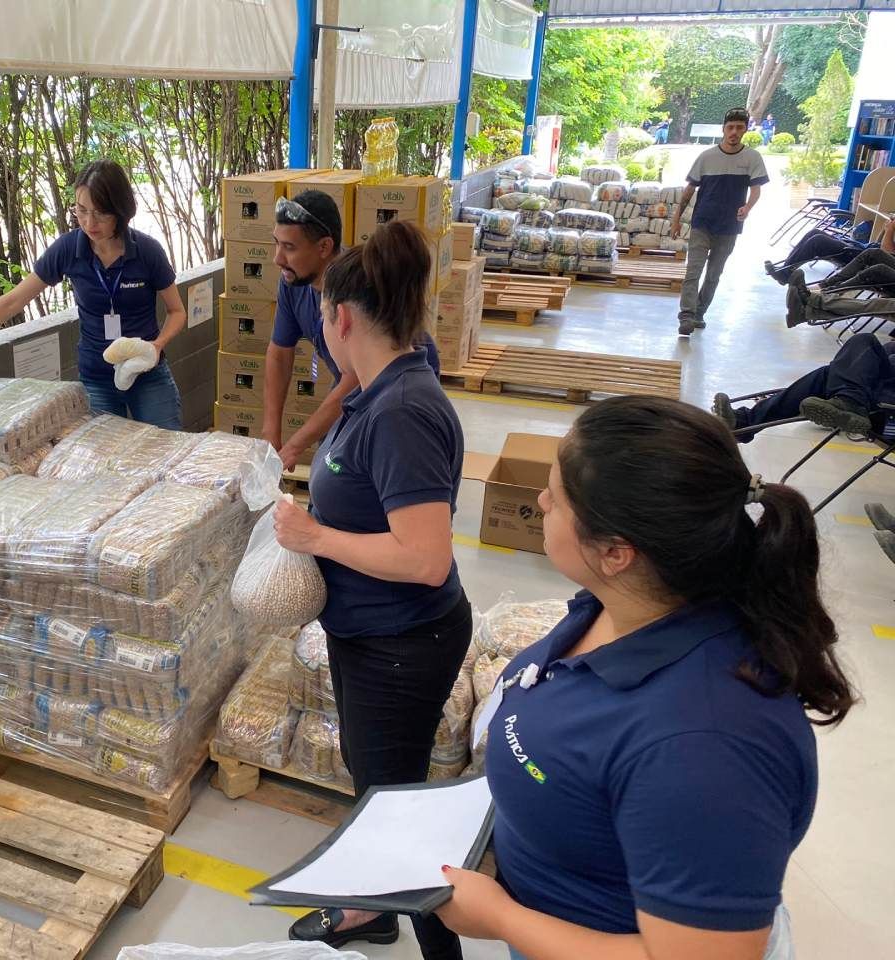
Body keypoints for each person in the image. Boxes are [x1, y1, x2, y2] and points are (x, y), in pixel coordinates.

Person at [434, 395, 855, 960]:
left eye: (555, 499)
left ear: (616, 553)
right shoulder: (626, 607)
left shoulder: (704, 749)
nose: (539, 501)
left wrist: (501, 917)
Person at [272, 220, 470, 957]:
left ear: (342, 316)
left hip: (402, 642)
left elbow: (425, 558)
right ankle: (371, 909)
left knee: (398, 814)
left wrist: (315, 537)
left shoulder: (402, 412)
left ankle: (431, 943)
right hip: (371, 636)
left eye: (321, 312)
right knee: (378, 789)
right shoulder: (379, 390)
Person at [0, 160, 187, 429]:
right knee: (102, 461)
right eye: (81, 210)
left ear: (121, 210)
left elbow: (177, 311)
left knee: (165, 448)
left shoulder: (148, 251)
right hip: (97, 378)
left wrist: (156, 346)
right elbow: (14, 300)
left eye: (101, 213)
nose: (89, 223)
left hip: (147, 373)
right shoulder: (68, 249)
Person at [262, 189, 440, 472]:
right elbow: (279, 353)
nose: (277, 258)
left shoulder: (353, 287)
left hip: (388, 379)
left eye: (289, 247)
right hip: (353, 375)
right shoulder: (293, 283)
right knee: (332, 463)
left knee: (357, 465)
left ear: (324, 247)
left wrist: (295, 445)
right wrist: (270, 433)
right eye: (276, 244)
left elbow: (356, 378)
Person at [672, 107, 769, 336]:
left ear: (745, 130)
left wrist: (748, 207)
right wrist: (676, 220)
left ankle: (699, 313)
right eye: (730, 127)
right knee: (693, 271)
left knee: (714, 274)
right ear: (723, 129)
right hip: (702, 223)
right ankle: (686, 316)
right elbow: (688, 190)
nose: (734, 132)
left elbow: (756, 190)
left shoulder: (752, 158)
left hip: (728, 227)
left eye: (739, 128)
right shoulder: (706, 157)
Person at [712, 332, 895, 439]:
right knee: (855, 351)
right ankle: (849, 401)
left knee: (843, 368)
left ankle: (850, 401)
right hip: (878, 395)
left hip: (887, 414)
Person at [765, 217, 895, 285]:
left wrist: (890, 230)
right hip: (865, 249)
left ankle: (785, 274)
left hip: (867, 259)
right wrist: (887, 228)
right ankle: (786, 269)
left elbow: (886, 253)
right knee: (814, 232)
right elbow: (880, 244)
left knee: (818, 240)